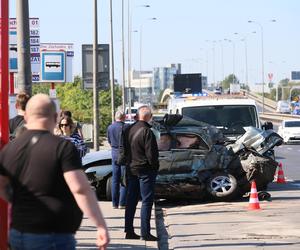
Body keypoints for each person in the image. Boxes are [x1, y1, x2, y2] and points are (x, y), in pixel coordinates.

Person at [0, 94, 110, 250]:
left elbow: (2, 185)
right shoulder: (62, 147)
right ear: (55, 117)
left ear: (26, 116)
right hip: (53, 233)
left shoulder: (10, 148)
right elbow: (80, 189)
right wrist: (100, 224)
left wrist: (18, 200)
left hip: (18, 233)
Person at [124, 105, 159, 241]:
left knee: (131, 200)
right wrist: (155, 168)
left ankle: (129, 230)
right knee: (146, 201)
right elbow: (152, 155)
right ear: (149, 117)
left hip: (131, 169)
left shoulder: (127, 130)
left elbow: (123, 150)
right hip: (145, 170)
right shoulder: (147, 132)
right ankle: (145, 232)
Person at [107, 111, 128, 209]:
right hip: (124, 154)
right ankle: (122, 203)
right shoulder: (127, 127)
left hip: (114, 154)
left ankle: (114, 203)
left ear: (115, 117)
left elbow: (110, 141)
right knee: (124, 179)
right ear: (124, 117)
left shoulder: (110, 127)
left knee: (115, 179)